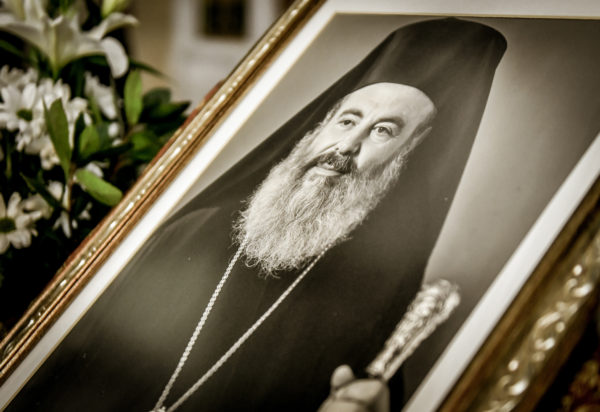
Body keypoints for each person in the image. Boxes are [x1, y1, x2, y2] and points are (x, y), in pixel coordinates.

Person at [6, 18, 506, 412]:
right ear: (319, 126)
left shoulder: (379, 311)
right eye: (348, 120)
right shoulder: (189, 232)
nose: (346, 147)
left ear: (409, 160)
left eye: (383, 131)